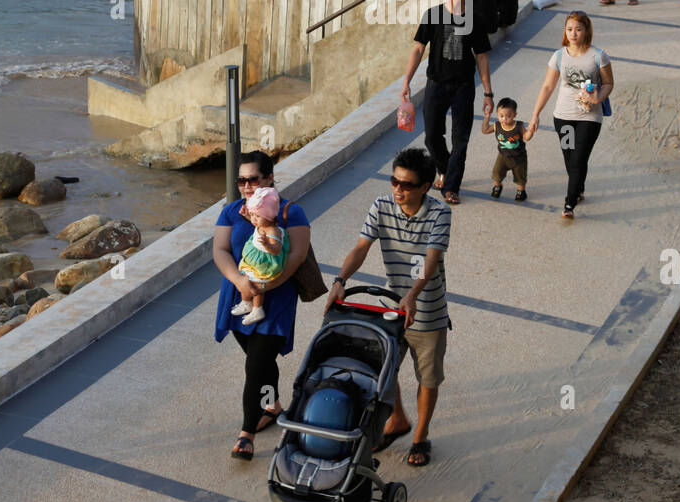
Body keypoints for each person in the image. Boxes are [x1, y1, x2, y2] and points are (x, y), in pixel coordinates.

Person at [324, 148, 451, 467]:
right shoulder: (381, 206)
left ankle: (420, 437)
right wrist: (340, 279)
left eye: (406, 184)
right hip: (390, 309)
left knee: (428, 378)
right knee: (383, 369)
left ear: (425, 187)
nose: (397, 189)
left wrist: (413, 294)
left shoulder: (439, 214)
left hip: (428, 311)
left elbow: (431, 260)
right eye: (394, 181)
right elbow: (361, 247)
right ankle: (397, 420)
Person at [212, 150, 311, 461]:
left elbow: (295, 259)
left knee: (255, 364)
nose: (246, 186)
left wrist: (264, 286)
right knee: (262, 361)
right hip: (239, 294)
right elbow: (220, 250)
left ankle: (247, 433)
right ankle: (272, 407)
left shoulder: (290, 213)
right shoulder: (231, 211)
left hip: (275, 300)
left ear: (270, 178)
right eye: (241, 180)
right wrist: (240, 283)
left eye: (252, 179)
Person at [401, 0, 493, 206]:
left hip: (463, 86)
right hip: (436, 84)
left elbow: (482, 57)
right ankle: (445, 167)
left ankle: (451, 186)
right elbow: (418, 49)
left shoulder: (475, 19)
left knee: (460, 139)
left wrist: (488, 92)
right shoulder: (432, 15)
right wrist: (406, 82)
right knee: (432, 136)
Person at [528, 11, 613, 222]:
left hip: (589, 118)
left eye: (578, 29)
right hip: (563, 117)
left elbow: (609, 83)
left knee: (579, 158)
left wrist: (597, 98)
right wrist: (535, 114)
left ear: (586, 31)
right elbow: (548, 86)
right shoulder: (558, 56)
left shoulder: (598, 56)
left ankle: (569, 202)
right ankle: (579, 188)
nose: (573, 34)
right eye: (569, 29)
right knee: (569, 158)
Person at [231, 186, 291, 326]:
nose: (254, 219)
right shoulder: (262, 224)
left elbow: (276, 249)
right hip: (254, 262)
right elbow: (255, 221)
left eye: (257, 216)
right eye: (252, 215)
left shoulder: (273, 231)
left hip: (265, 265)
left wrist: (267, 245)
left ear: (269, 216)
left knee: (256, 286)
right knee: (246, 280)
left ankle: (258, 309)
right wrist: (247, 215)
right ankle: (246, 303)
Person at [482, 97, 534, 200]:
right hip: (503, 156)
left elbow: (526, 137)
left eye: (508, 116)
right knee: (497, 173)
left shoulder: (519, 126)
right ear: (497, 114)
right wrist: (487, 117)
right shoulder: (497, 125)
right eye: (501, 116)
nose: (504, 119)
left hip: (519, 157)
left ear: (515, 115)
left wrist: (531, 130)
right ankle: (497, 187)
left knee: (520, 176)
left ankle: (521, 191)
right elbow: (485, 130)